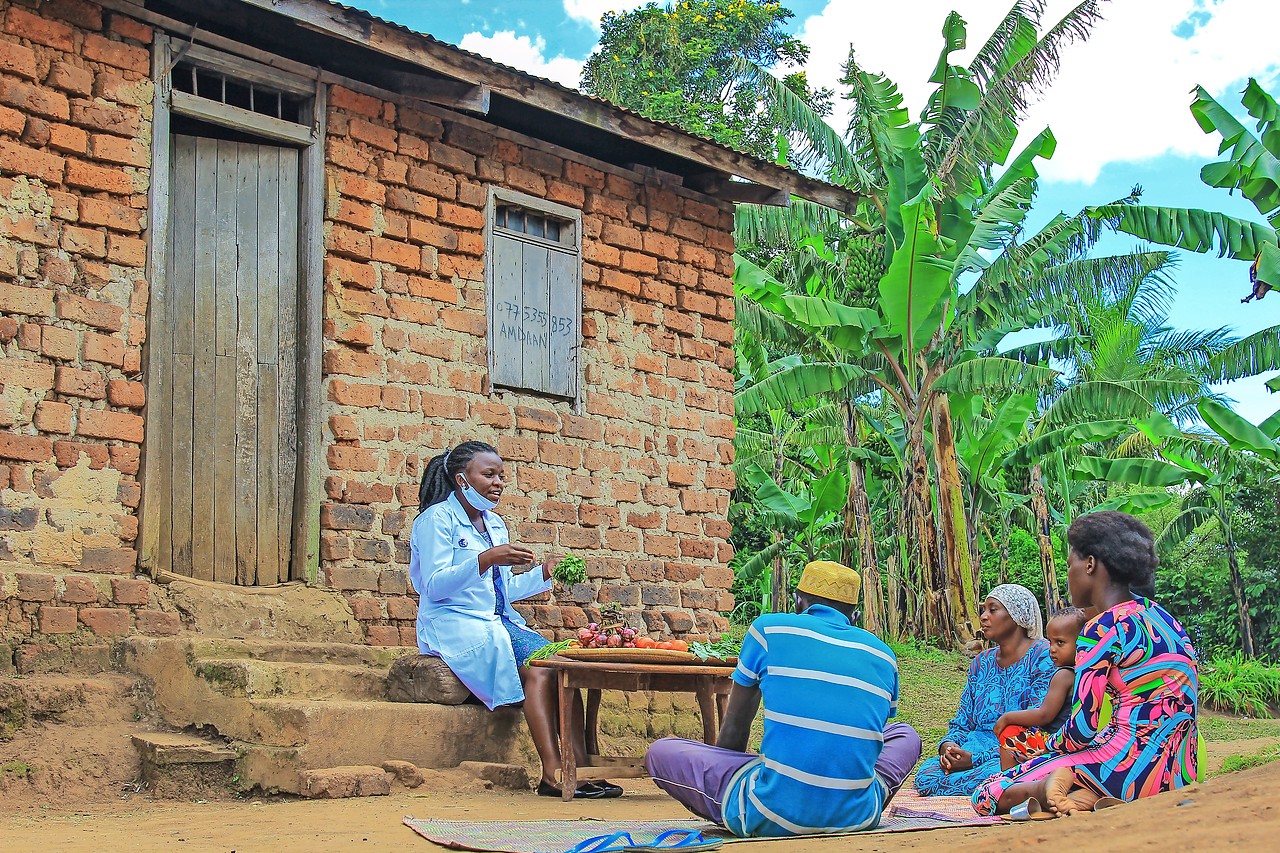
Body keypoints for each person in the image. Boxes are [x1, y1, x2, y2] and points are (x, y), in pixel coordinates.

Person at [644, 560, 922, 838]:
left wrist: (728, 770)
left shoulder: (768, 630)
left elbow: (735, 728)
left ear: (797, 602)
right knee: (906, 735)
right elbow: (866, 740)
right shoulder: (884, 655)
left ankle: (745, 811)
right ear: (855, 616)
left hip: (770, 811)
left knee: (662, 752)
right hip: (858, 816)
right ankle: (843, 802)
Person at [409, 440, 621, 800]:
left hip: (498, 620)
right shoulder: (435, 521)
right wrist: (487, 558)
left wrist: (544, 574)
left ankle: (581, 769)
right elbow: (433, 586)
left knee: (564, 668)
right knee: (541, 671)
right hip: (455, 623)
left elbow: (501, 590)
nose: (498, 483)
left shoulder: (495, 524)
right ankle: (553, 774)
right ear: (462, 480)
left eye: (502, 476)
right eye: (488, 474)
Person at [972, 511, 1199, 816]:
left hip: (1122, 768)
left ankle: (1051, 786)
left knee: (985, 793)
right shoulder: (1163, 617)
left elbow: (1082, 728)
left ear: (1090, 564)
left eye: (1070, 565)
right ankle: (1084, 795)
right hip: (1179, 774)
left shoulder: (1100, 628)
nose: (1068, 575)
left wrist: (1044, 753)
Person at [913, 584, 1056, 797]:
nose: (983, 617)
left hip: (1014, 751)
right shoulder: (982, 663)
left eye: (993, 609)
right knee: (927, 776)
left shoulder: (1043, 656)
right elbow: (963, 721)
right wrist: (949, 748)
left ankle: (996, 788)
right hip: (972, 749)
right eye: (983, 610)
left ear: (1017, 614)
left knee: (998, 774)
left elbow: (1038, 722)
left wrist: (975, 759)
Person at [994, 608, 1087, 769]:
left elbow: (1044, 715)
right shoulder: (1086, 673)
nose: (1052, 648)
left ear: (1081, 644)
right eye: (1050, 642)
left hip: (1051, 743)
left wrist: (1007, 718)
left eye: (1060, 643)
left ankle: (1008, 781)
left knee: (1010, 732)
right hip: (1073, 743)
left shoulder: (1064, 675)